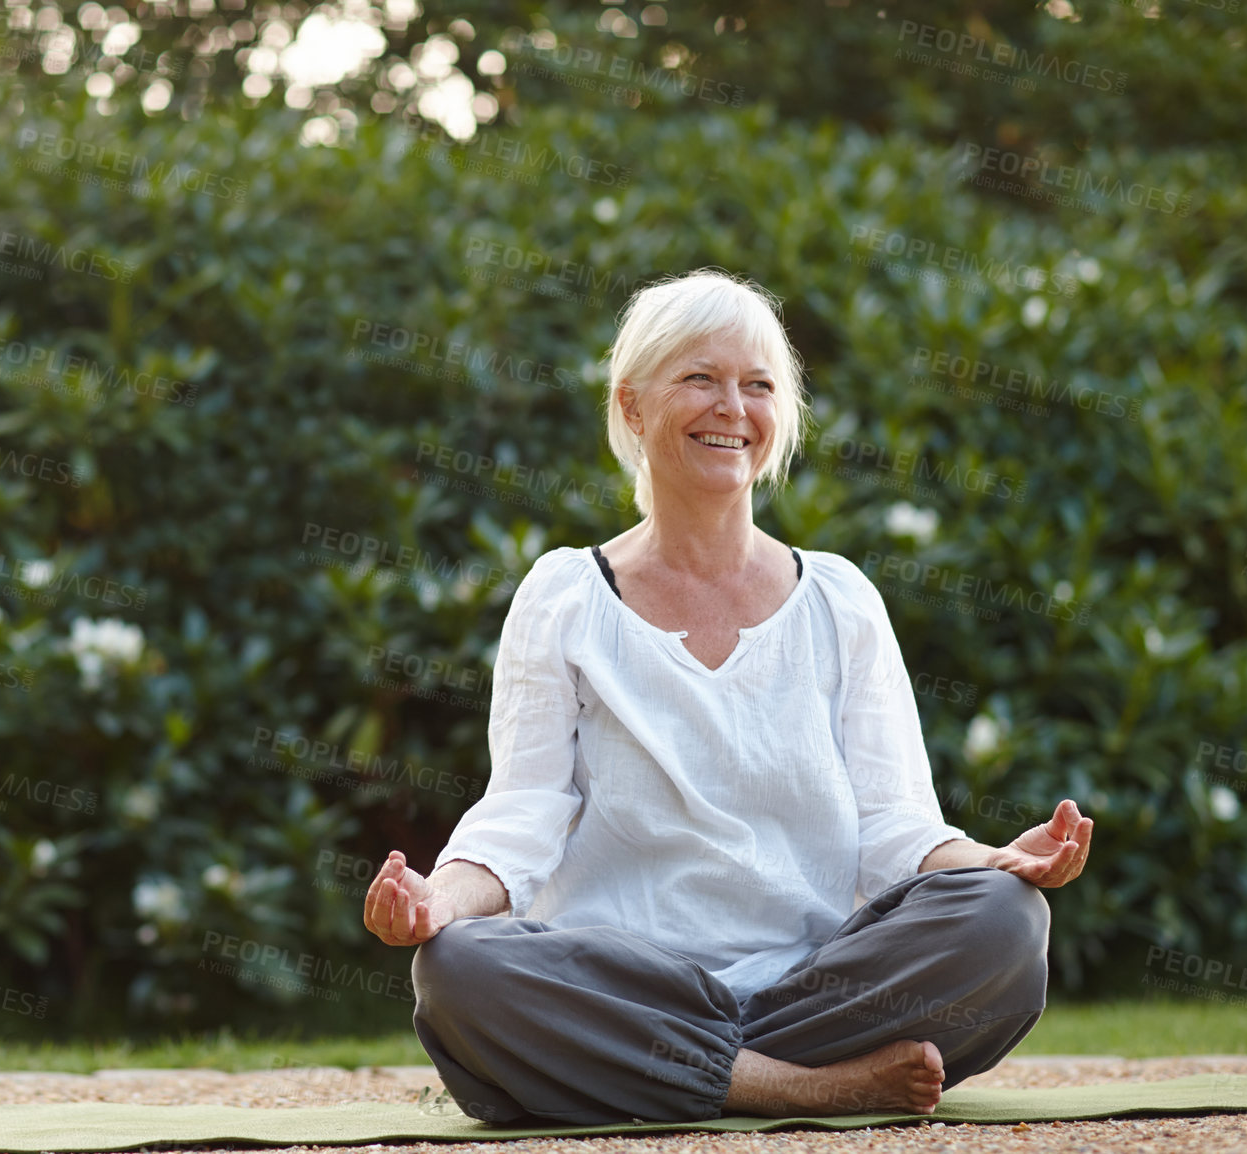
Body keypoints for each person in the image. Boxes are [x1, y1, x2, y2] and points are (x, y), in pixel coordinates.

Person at [362, 269, 1093, 1125]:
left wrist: (1000, 863)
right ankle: (797, 1086)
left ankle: (663, 1071)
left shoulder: (841, 600)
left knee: (1005, 923)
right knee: (459, 970)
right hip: (625, 985)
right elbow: (523, 812)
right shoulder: (564, 596)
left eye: (758, 385)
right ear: (632, 408)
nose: (731, 408)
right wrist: (435, 903)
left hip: (811, 984)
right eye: (699, 379)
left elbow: (896, 827)